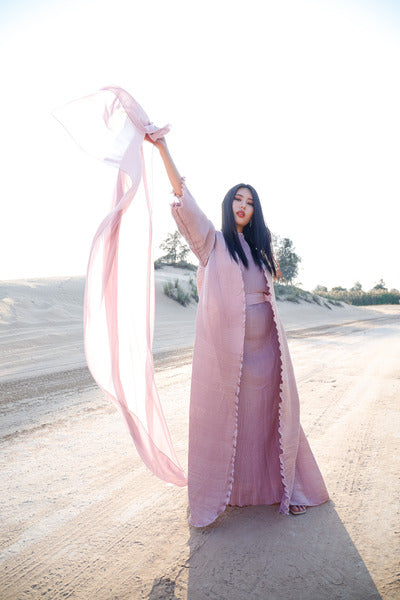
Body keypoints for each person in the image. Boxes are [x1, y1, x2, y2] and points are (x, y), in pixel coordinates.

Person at [146, 134, 330, 528]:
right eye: (237, 200)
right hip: (233, 355)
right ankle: (230, 493)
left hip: (269, 352)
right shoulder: (212, 241)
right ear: (228, 205)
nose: (243, 206)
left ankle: (285, 489)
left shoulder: (261, 247)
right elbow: (183, 194)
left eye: (250, 202)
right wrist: (162, 148)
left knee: (273, 418)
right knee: (234, 422)